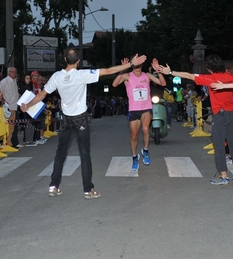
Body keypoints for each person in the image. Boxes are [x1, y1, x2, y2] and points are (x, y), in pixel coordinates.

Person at [21, 47, 147, 198]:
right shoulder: (82, 75)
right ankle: (88, 189)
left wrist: (27, 105)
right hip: (80, 118)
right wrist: (130, 64)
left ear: (66, 60)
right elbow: (108, 71)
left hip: (65, 119)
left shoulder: (56, 76)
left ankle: (54, 186)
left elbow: (42, 94)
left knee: (60, 152)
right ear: (79, 61)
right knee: (85, 154)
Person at [159, 54, 233, 185]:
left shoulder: (211, 78)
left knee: (218, 144)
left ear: (210, 68)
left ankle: (223, 175)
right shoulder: (230, 77)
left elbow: (189, 75)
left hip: (220, 115)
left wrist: (171, 72)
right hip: (231, 113)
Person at [112, 55, 166, 171]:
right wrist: (123, 69)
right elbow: (114, 84)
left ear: (142, 64)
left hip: (146, 107)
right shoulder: (127, 76)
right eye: (135, 63)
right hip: (133, 109)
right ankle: (134, 157)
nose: (137, 65)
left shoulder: (147, 75)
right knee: (134, 136)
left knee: (146, 129)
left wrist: (158, 71)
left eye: (140, 63)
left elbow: (162, 83)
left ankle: (145, 151)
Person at [0, 67, 21, 148]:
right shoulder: (4, 82)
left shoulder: (15, 81)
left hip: (15, 106)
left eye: (15, 71)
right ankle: (9, 143)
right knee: (9, 127)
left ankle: (13, 142)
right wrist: (5, 103)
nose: (13, 73)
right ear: (8, 72)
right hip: (8, 107)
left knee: (13, 126)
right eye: (11, 71)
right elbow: (0, 93)